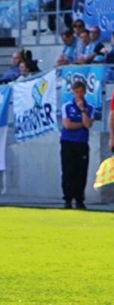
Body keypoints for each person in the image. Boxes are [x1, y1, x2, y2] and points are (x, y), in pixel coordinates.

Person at [60, 78, 93, 210]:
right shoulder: (66, 106)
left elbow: (88, 124)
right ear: (73, 92)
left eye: (81, 91)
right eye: (76, 91)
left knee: (81, 172)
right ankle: (68, 199)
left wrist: (82, 111)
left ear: (85, 92)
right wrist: (82, 124)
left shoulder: (89, 107)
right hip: (68, 142)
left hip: (82, 142)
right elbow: (67, 125)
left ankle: (79, 199)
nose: (79, 94)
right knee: (68, 171)